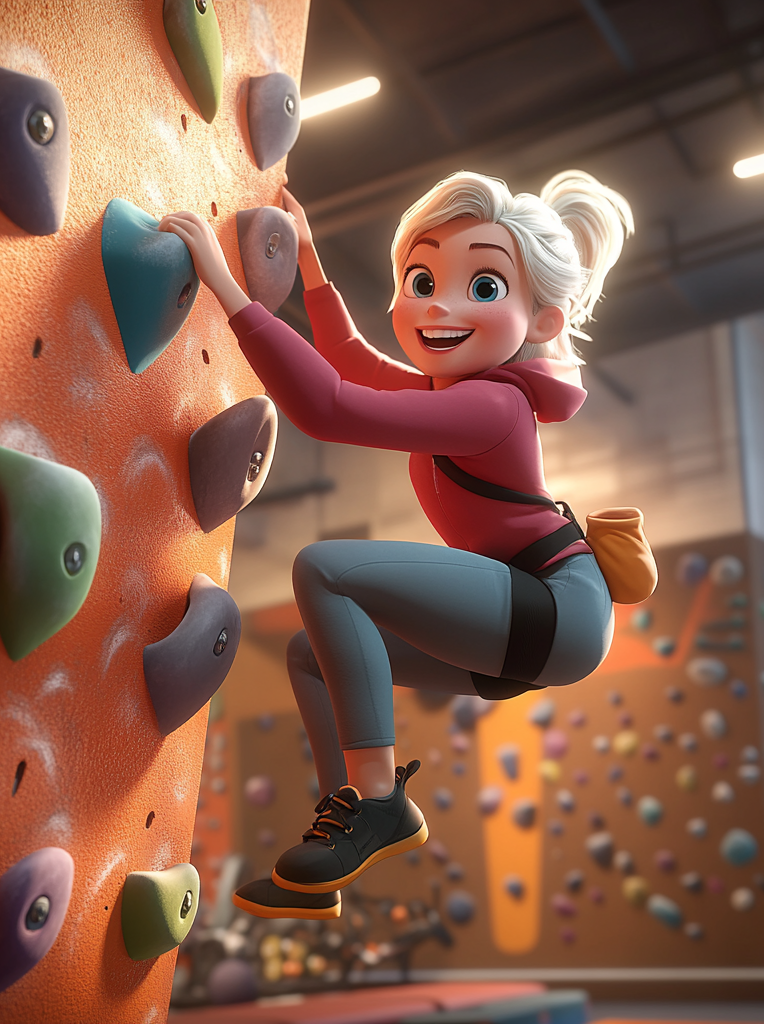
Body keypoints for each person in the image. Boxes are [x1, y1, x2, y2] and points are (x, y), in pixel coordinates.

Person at [160, 169, 634, 919]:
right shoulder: (451, 390)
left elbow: (324, 405)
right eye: (421, 277)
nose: (438, 306)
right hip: (523, 625)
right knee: (310, 654)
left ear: (541, 321)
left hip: (554, 608)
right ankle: (341, 833)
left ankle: (379, 799)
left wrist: (227, 288)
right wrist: (310, 262)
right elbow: (350, 362)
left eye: (482, 287)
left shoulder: (493, 404)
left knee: (326, 569)